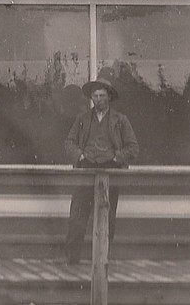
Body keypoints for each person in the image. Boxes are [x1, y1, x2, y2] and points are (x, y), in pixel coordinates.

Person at [62, 77, 139, 264]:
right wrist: (79, 156)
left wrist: (116, 158)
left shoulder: (120, 120)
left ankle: (103, 259)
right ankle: (72, 259)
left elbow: (133, 148)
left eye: (102, 95)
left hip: (110, 171)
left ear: (109, 97)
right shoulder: (82, 119)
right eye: (95, 96)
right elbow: (69, 142)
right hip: (86, 170)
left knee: (107, 217)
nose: (98, 99)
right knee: (77, 216)